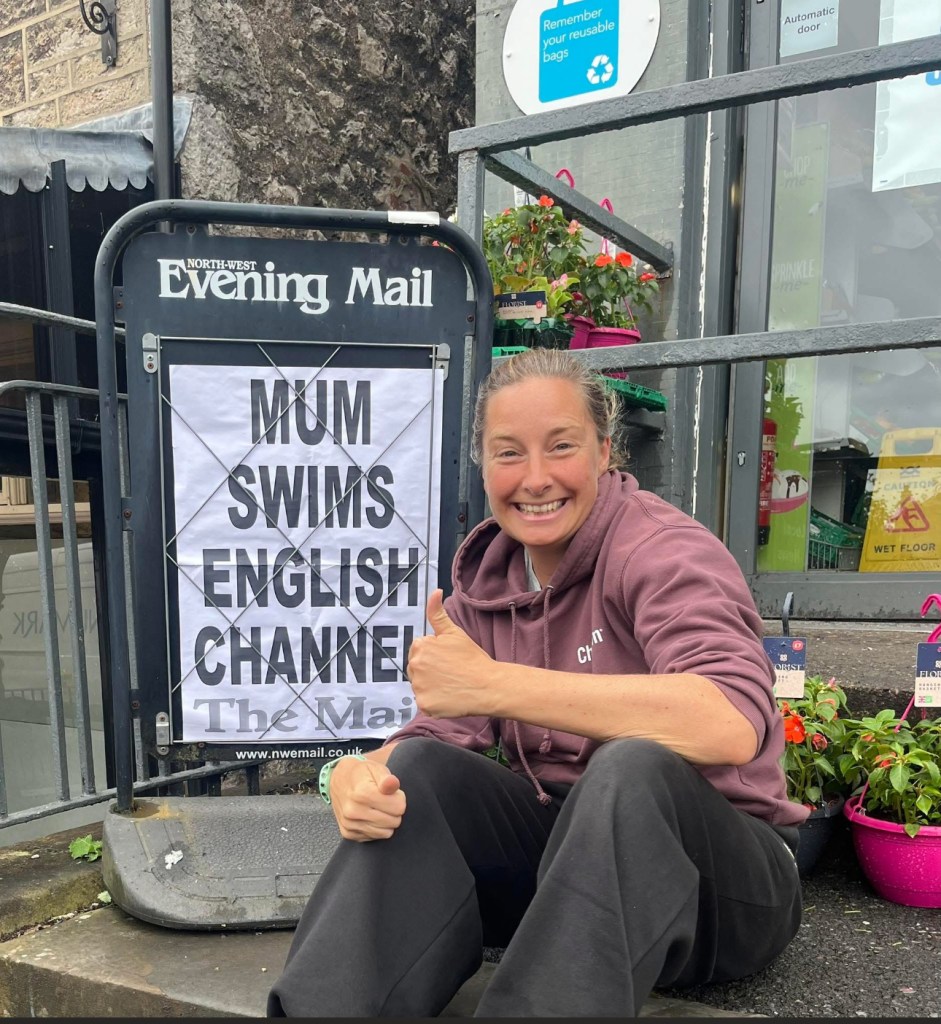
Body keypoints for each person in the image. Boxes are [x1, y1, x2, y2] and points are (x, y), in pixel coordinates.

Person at [267, 347, 805, 1018]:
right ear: (484, 465)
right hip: (569, 870)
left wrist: (495, 683)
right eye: (508, 453)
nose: (536, 478)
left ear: (605, 450)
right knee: (418, 771)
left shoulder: (663, 552)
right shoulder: (488, 584)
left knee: (630, 766)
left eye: (561, 446)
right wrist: (356, 775)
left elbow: (724, 723)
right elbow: (436, 732)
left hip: (722, 885)